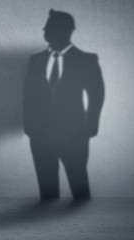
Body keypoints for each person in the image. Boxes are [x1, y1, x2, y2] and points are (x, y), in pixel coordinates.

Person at [23, 10, 105, 201]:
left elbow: (97, 94)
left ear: (65, 30)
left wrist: (91, 126)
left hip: (75, 133)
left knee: (79, 188)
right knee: (47, 192)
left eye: (49, 26)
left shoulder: (87, 60)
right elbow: (28, 95)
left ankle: (83, 223)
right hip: (40, 134)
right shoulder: (35, 60)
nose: (44, 29)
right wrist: (29, 126)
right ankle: (45, 228)